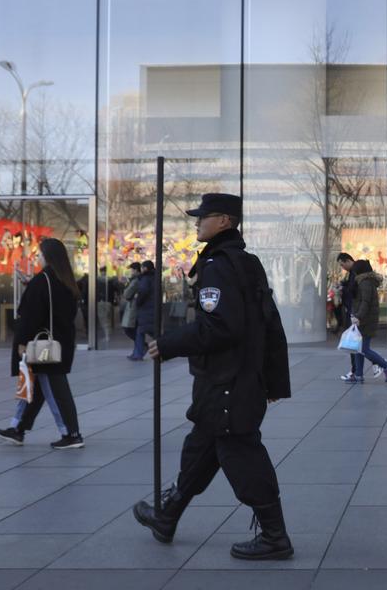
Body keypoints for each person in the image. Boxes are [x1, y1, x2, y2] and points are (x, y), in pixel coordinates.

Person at [132, 192, 294, 561]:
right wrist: (271, 380)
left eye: (203, 216)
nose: (196, 222)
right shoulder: (245, 262)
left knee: (241, 454)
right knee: (201, 447)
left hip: (227, 381)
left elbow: (221, 327)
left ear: (224, 221)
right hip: (231, 381)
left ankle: (274, 535)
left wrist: (169, 343)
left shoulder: (220, 266)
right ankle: (167, 516)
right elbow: (269, 324)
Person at [0, 237, 84, 449]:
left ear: (49, 257)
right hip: (59, 343)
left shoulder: (42, 280)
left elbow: (30, 315)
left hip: (42, 345)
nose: (38, 257)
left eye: (40, 253)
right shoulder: (65, 280)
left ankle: (71, 433)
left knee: (54, 389)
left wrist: (23, 341)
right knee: (35, 386)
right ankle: (17, 428)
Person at [345, 259, 387, 383]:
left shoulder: (365, 283)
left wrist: (358, 316)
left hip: (366, 320)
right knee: (358, 348)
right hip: (364, 319)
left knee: (363, 349)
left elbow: (365, 302)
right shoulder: (364, 281)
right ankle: (358, 375)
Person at [130, 260, 157, 360]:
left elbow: (143, 292)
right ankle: (139, 354)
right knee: (152, 331)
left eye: (142, 267)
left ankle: (138, 354)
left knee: (141, 331)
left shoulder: (145, 278)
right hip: (153, 308)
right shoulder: (155, 277)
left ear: (145, 268)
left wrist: (137, 301)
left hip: (146, 309)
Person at [120, 261, 141, 341]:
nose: (131, 272)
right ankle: (140, 347)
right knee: (134, 330)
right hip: (134, 307)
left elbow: (126, 294)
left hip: (133, 308)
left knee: (129, 329)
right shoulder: (136, 280)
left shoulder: (135, 281)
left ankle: (142, 346)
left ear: (136, 270)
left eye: (132, 270)